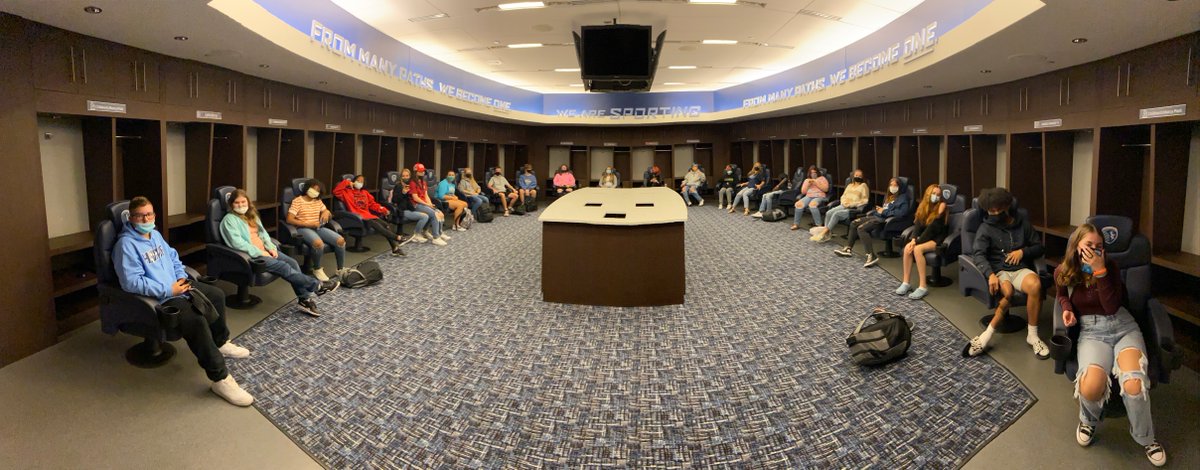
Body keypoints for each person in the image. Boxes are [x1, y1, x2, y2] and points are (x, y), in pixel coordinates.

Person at [113, 196, 254, 406]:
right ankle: (220, 378)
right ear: (131, 218)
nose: (145, 219)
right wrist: (168, 288)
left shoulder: (155, 234)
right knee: (195, 319)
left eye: (149, 214)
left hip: (177, 284)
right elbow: (130, 282)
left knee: (216, 295)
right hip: (160, 296)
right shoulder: (125, 245)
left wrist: (180, 276)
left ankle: (220, 341)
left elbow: (173, 257)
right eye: (140, 216)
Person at [1055, 224, 1166, 466]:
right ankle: (1088, 420)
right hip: (1091, 331)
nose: (1095, 251)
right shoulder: (1064, 271)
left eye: (1099, 247)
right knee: (1090, 387)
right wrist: (1066, 309)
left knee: (1133, 382)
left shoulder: (1111, 267)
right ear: (1076, 246)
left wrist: (1100, 272)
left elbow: (1111, 307)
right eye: (1089, 246)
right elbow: (1062, 294)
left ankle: (1146, 437)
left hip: (1123, 325)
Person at [220, 189, 337, 317]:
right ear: (231, 204)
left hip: (265, 251)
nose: (241, 205)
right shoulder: (229, 220)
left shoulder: (252, 215)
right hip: (251, 255)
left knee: (292, 262)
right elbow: (236, 243)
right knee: (283, 266)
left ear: (248, 202)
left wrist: (271, 247)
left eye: (243, 202)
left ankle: (304, 299)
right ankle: (317, 286)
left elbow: (263, 234)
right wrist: (260, 252)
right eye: (237, 203)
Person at [965, 187, 1049, 359]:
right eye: (991, 210)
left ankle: (1032, 335)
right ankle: (986, 335)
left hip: (1020, 269)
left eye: (998, 209)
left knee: (1036, 285)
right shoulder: (984, 228)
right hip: (999, 270)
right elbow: (978, 254)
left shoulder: (1023, 224)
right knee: (1008, 293)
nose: (995, 213)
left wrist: (1023, 252)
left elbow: (1039, 247)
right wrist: (990, 274)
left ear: (1007, 206)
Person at [834, 178, 912, 268]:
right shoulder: (889, 196)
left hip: (885, 220)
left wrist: (883, 212)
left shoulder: (903, 198)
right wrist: (878, 210)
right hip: (878, 216)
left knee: (861, 228)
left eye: (895, 185)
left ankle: (871, 256)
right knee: (854, 223)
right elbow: (885, 209)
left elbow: (901, 213)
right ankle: (848, 249)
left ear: (900, 186)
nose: (893, 187)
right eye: (891, 185)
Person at [894, 185, 949, 300]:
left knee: (917, 249)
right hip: (924, 237)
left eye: (939, 195)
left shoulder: (942, 207)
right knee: (908, 247)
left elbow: (933, 228)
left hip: (937, 238)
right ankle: (906, 283)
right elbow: (918, 225)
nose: (936, 197)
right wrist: (913, 239)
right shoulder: (923, 206)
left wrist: (917, 243)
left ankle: (923, 287)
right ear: (928, 194)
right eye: (934, 194)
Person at [333, 175, 412, 254]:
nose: (359, 183)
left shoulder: (365, 193)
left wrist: (384, 210)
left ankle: (395, 248)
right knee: (375, 224)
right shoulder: (346, 192)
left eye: (361, 182)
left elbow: (373, 204)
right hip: (357, 217)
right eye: (358, 180)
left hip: (368, 215)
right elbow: (336, 191)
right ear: (353, 181)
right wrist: (347, 182)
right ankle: (397, 237)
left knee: (386, 225)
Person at [286, 179, 346, 281]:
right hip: (303, 228)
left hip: (318, 228)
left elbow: (327, 212)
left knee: (340, 241)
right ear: (307, 188)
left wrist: (326, 212)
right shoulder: (298, 200)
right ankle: (317, 268)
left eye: (317, 190)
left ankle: (340, 269)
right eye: (313, 189)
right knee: (318, 243)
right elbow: (289, 219)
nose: (315, 192)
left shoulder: (318, 201)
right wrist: (308, 223)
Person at [810, 169, 870, 242]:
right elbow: (843, 196)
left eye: (860, 176)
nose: (858, 177)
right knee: (829, 213)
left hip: (853, 208)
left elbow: (865, 200)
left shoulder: (863, 186)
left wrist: (852, 204)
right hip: (843, 205)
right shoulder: (849, 185)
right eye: (856, 175)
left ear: (862, 177)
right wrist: (844, 202)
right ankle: (828, 234)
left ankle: (823, 233)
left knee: (836, 214)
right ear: (853, 176)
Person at [391, 168, 444, 246]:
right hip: (402, 210)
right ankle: (417, 234)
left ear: (410, 176)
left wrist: (428, 204)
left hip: (411, 208)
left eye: (407, 176)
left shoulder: (410, 185)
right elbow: (394, 200)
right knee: (425, 216)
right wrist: (403, 193)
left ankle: (422, 233)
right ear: (401, 177)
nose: (405, 177)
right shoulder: (398, 186)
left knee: (429, 214)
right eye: (403, 176)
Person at [409, 163, 450, 246]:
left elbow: (426, 195)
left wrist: (430, 204)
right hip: (416, 205)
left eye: (423, 171)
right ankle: (436, 237)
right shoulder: (412, 183)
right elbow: (415, 198)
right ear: (416, 172)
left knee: (439, 213)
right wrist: (427, 205)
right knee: (434, 214)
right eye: (421, 171)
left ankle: (439, 232)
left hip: (424, 204)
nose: (423, 172)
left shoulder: (423, 182)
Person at [791, 166, 830, 230]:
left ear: (817, 173)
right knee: (798, 204)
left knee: (812, 205)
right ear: (809, 173)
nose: (813, 174)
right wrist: (808, 185)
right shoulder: (807, 180)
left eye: (815, 172)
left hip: (819, 196)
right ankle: (796, 224)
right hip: (809, 196)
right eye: (812, 173)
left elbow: (826, 189)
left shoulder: (822, 178)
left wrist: (816, 183)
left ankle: (819, 225)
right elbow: (803, 192)